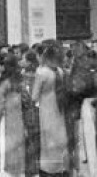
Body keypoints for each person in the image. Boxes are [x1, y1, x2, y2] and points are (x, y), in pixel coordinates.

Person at [32, 45, 69, 177]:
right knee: (60, 137)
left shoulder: (42, 72)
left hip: (47, 110)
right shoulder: (60, 71)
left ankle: (49, 169)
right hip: (60, 109)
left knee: (48, 140)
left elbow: (34, 96)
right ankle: (61, 167)